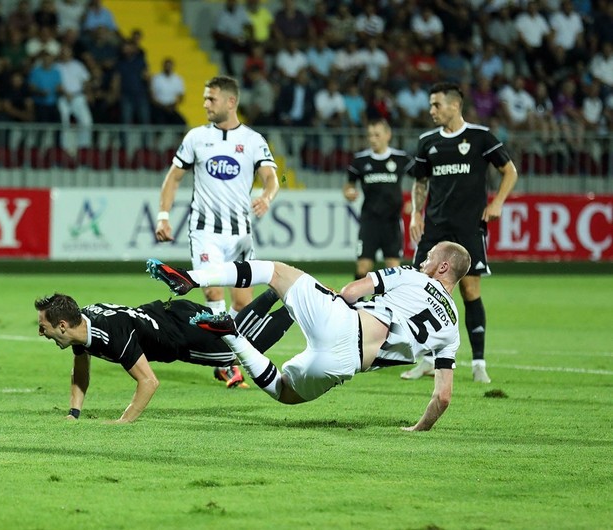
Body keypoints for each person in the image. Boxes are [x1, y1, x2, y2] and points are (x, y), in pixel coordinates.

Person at [145, 239, 471, 431]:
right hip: (346, 361)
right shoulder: (453, 330)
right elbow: (443, 396)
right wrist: (418, 429)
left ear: (443, 267)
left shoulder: (411, 277)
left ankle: (190, 278)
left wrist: (331, 299)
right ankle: (231, 335)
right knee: (285, 392)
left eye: (430, 258)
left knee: (274, 272)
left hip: (344, 319)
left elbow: (353, 290)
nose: (423, 261)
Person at [154, 75, 279, 380]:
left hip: (240, 234)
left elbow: (271, 177)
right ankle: (226, 363)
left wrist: (267, 195)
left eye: (211, 99)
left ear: (230, 101)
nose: (205, 104)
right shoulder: (196, 137)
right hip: (205, 230)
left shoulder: (252, 140)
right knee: (211, 288)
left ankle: (226, 352)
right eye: (205, 98)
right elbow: (173, 177)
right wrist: (163, 215)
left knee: (242, 302)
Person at [403, 82, 518, 384]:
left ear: (455, 105)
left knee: (470, 291)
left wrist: (498, 203)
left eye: (436, 105)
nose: (431, 111)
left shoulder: (480, 137)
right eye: (430, 105)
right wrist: (416, 213)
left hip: (468, 227)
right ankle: (426, 360)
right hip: (435, 229)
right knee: (422, 293)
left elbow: (510, 171)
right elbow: (420, 182)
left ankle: (478, 363)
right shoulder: (427, 141)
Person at [35, 290, 293, 423]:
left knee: (237, 352)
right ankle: (275, 292)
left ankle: (294, 304)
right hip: (171, 312)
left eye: (43, 327)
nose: (40, 333)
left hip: (182, 335)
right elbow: (81, 371)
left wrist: (124, 421)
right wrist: (74, 412)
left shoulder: (111, 335)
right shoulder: (82, 323)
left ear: (61, 325)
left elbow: (149, 382)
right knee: (237, 331)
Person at [343, 119, 414, 280]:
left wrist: (415, 201)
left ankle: (392, 305)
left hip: (392, 221)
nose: (372, 139)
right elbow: (348, 185)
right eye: (370, 135)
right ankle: (357, 305)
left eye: (377, 135)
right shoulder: (360, 160)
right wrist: (348, 192)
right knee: (362, 268)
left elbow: (422, 179)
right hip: (369, 221)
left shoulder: (400, 158)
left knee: (394, 270)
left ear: (388, 135)